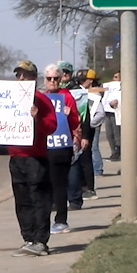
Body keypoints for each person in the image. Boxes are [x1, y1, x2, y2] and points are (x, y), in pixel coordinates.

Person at [7, 60, 59, 257]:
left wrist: (37, 118)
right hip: (16, 158)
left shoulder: (41, 100)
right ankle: (28, 238)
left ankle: (40, 241)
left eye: (26, 75)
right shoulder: (9, 98)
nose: (21, 79)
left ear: (34, 79)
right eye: (18, 75)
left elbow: (51, 127)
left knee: (39, 199)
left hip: (35, 158)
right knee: (22, 201)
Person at [43, 62, 81, 235]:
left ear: (60, 80)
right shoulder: (40, 97)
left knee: (59, 184)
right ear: (44, 80)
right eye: (49, 78)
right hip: (44, 147)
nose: (52, 81)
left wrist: (70, 115)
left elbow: (75, 122)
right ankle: (43, 221)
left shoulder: (66, 97)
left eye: (55, 78)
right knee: (45, 185)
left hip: (62, 147)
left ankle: (61, 220)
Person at [67, 70, 98, 209]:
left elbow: (88, 116)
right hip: (70, 134)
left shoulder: (92, 94)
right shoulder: (71, 92)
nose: (81, 82)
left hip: (84, 132)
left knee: (84, 160)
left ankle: (88, 188)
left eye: (83, 80)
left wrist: (86, 133)